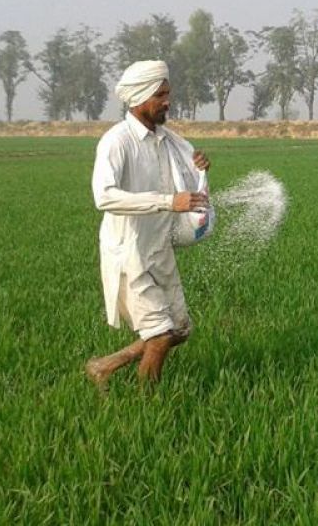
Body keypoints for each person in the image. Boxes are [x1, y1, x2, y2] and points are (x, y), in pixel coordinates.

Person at [86, 60, 210, 389]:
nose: (168, 101)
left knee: (178, 331)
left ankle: (105, 365)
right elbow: (105, 197)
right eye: (161, 95)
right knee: (158, 335)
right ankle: (147, 406)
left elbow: (184, 186)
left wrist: (198, 168)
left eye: (168, 94)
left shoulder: (167, 140)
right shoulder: (117, 141)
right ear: (140, 96)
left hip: (159, 249)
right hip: (128, 255)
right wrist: (168, 201)